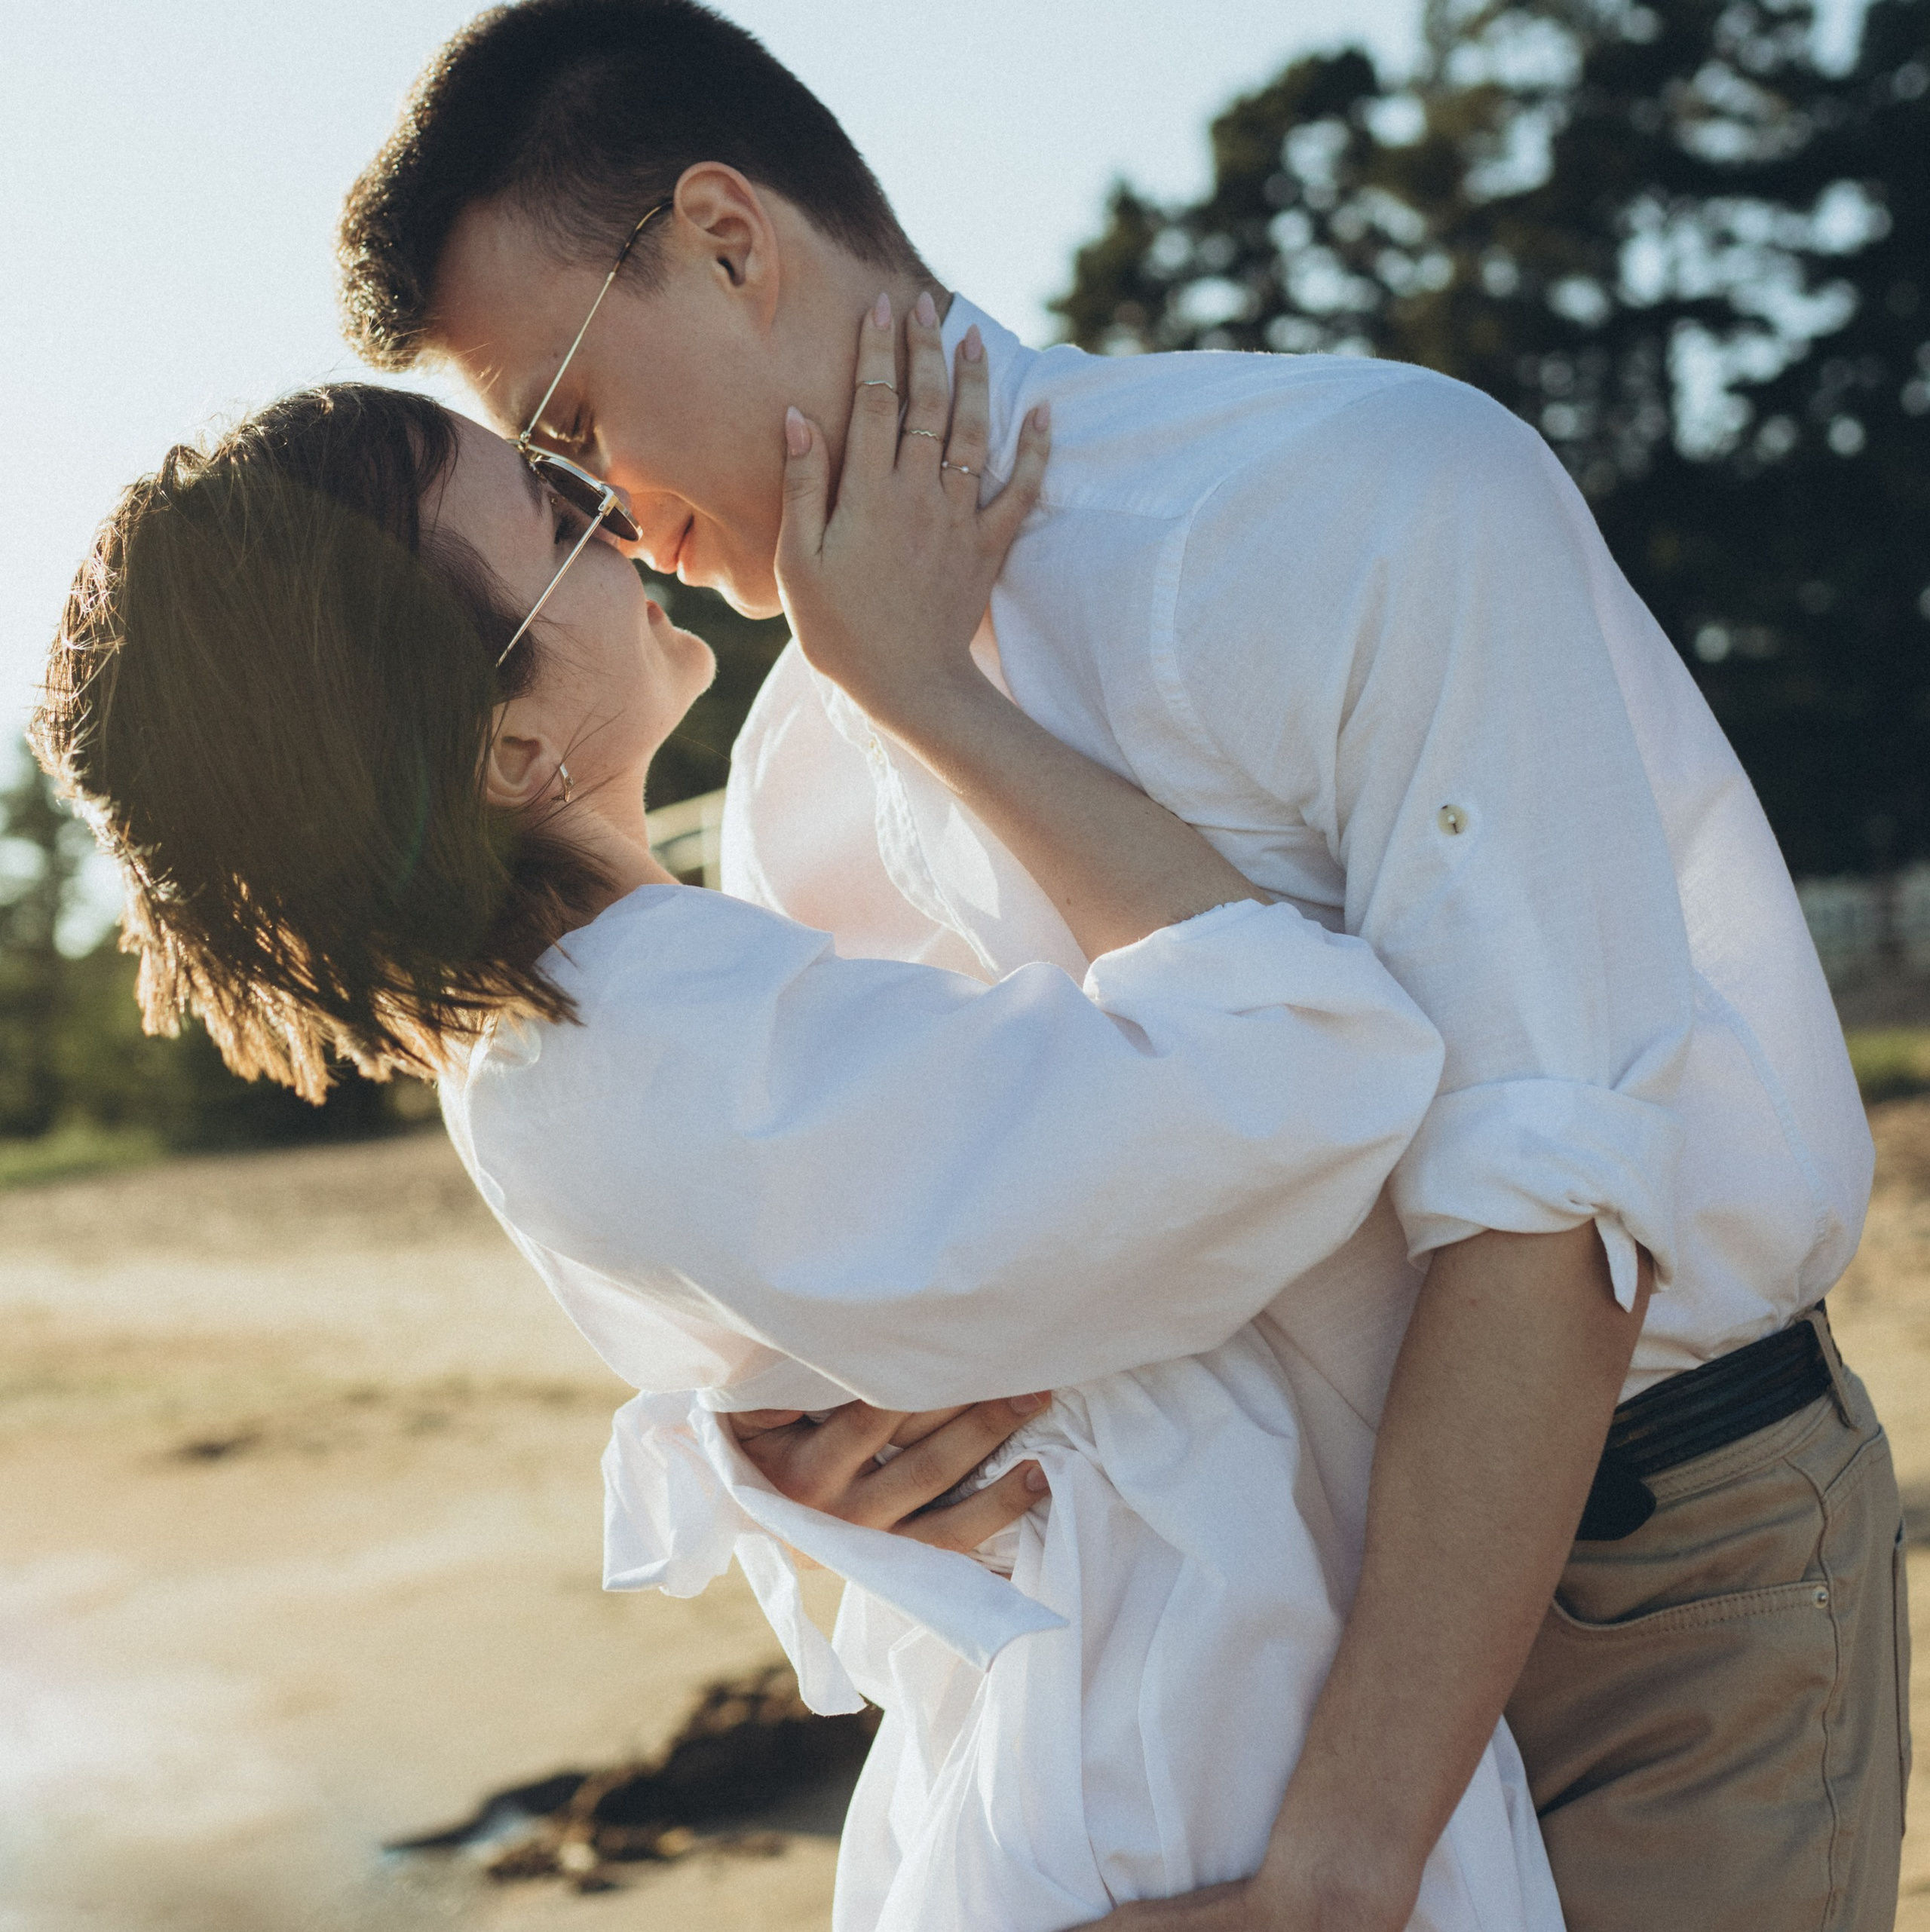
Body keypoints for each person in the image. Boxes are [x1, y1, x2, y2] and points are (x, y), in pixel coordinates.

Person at [329, 5, 1907, 1930]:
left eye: (569, 424)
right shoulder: (786, 790)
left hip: (1650, 1575)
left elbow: (1548, 1205)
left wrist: (1338, 1863)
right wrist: (839, 1476)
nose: (592, 514)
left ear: (728, 242)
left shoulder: (1355, 493)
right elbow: (955, 1304)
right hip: (1226, 1664)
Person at [34, 341, 1569, 1926]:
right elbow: (1311, 1062)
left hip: (1134, 1717)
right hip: (1174, 1771)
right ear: (505, 747)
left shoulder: (582, 1036)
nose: (622, 518)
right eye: (560, 509)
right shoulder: (656, 1036)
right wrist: (921, 683)